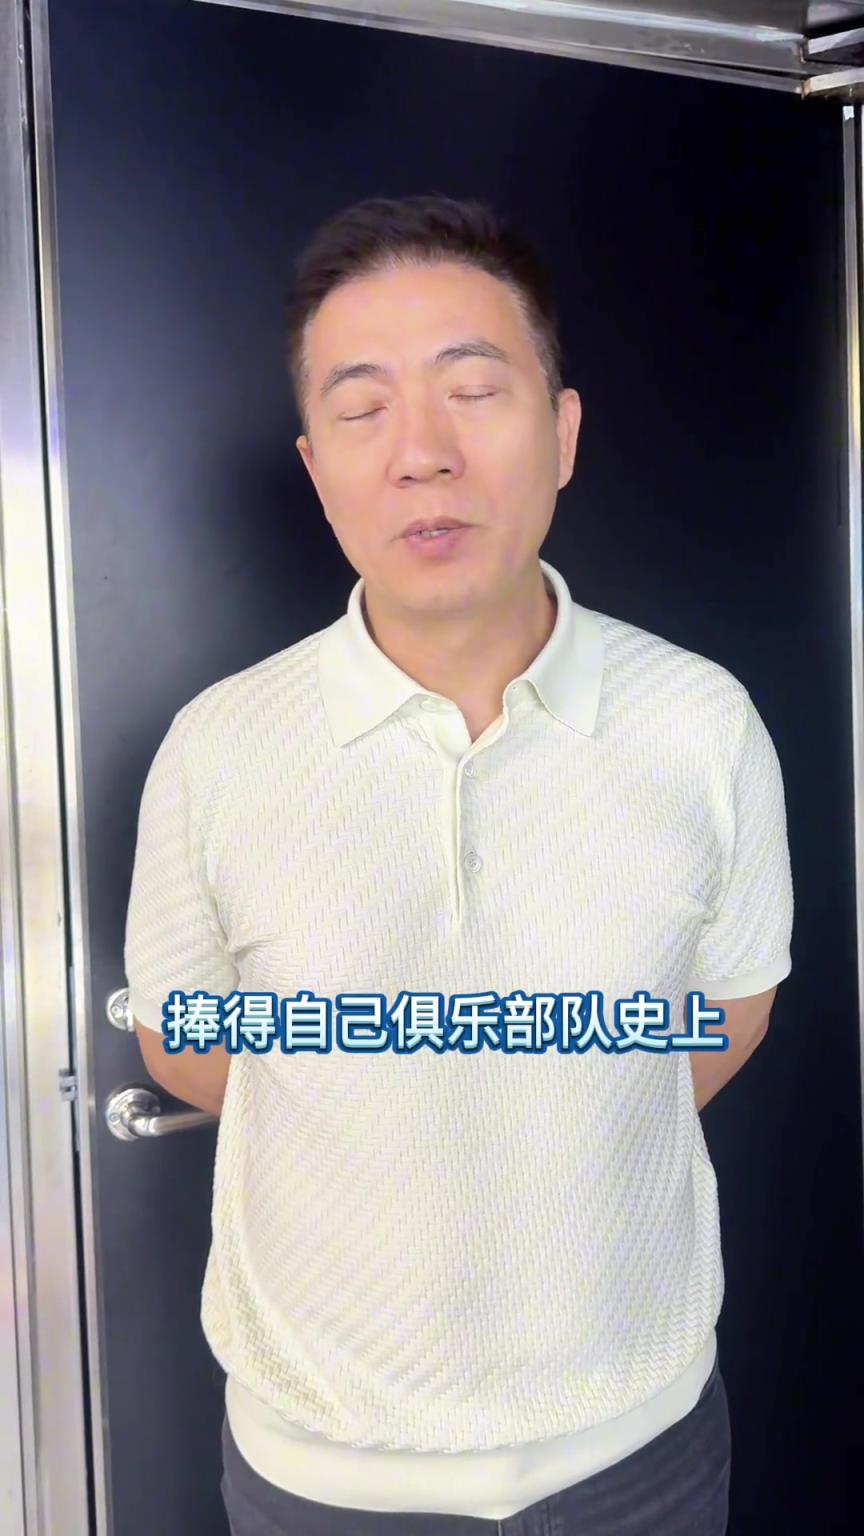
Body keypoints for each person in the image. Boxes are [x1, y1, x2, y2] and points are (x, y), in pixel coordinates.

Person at [124, 193, 793, 1536]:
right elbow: (185, 1043)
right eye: (363, 409)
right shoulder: (220, 746)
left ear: (563, 433)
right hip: (323, 1473)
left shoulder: (701, 722)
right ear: (316, 467)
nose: (422, 454)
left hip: (640, 1449)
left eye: (474, 391)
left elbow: (728, 1013)